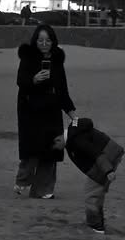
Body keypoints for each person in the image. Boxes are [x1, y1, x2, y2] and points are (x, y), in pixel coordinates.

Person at [15, 24, 78, 199]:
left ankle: (43, 189)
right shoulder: (27, 57)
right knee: (32, 149)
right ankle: (23, 180)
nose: (44, 44)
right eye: (40, 40)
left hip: (51, 110)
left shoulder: (57, 60)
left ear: (53, 41)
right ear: (35, 41)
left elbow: (62, 90)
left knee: (51, 150)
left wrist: (72, 114)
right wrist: (34, 79)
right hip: (30, 110)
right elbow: (20, 81)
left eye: (48, 41)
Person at [64, 117, 125, 233]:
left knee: (91, 195)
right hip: (111, 152)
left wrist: (108, 171)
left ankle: (96, 227)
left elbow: (96, 153)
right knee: (96, 193)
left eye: (54, 147)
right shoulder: (74, 135)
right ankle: (98, 223)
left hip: (107, 158)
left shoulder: (76, 140)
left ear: (58, 139)